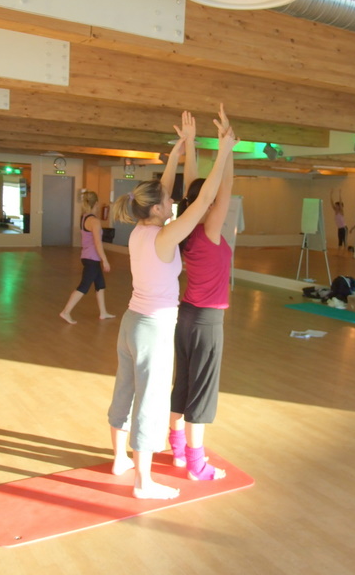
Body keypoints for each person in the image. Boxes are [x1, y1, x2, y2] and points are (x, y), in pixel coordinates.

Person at [107, 109, 237, 500]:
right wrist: (225, 149)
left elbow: (163, 190)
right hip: (153, 328)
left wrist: (183, 148)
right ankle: (144, 482)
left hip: (131, 321)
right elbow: (207, 197)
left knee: (125, 392)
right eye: (167, 202)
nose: (172, 200)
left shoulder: (141, 229)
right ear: (158, 209)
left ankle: (120, 459)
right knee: (150, 401)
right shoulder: (167, 236)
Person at [168, 104, 233, 481]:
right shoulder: (209, 230)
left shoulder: (186, 225)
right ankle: (195, 463)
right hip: (207, 320)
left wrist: (192, 144)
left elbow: (197, 186)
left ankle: (178, 449)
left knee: (183, 383)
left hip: (186, 316)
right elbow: (223, 189)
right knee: (201, 391)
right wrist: (226, 149)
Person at [59, 191, 114, 324]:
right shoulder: (94, 221)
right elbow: (98, 243)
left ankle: (103, 312)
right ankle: (66, 312)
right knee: (84, 286)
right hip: (92, 258)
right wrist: (105, 260)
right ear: (96, 203)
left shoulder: (84, 218)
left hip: (87, 256)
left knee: (100, 284)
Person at [330, 189, 347, 253]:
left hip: (344, 228)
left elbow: (340, 202)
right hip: (339, 228)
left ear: (339, 206)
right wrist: (331, 195)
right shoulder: (335, 211)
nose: (336, 206)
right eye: (336, 205)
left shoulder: (341, 211)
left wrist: (340, 194)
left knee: (344, 241)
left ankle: (344, 253)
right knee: (340, 240)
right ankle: (338, 253)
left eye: (337, 205)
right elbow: (331, 203)